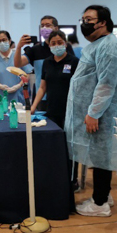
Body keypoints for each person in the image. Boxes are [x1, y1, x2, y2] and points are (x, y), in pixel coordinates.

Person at [65, 5, 117, 217]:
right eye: (83, 18)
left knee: (102, 156)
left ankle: (100, 203)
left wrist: (94, 113)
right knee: (99, 155)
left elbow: (106, 84)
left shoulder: (109, 47)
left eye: (89, 19)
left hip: (102, 113)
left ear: (103, 22)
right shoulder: (97, 45)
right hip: (96, 112)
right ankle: (104, 195)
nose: (84, 23)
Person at [31, 30, 80, 189]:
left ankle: (72, 180)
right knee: (54, 145)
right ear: (49, 45)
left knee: (70, 147)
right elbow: (42, 87)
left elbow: (80, 88)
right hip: (52, 111)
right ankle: (55, 177)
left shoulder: (74, 62)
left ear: (65, 43)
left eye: (60, 42)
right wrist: (33, 107)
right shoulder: (47, 62)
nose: (57, 45)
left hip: (71, 111)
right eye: (53, 43)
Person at [14, 15, 74, 109]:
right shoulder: (36, 49)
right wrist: (18, 47)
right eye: (42, 26)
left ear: (56, 28)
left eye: (48, 25)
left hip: (64, 96)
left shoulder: (66, 48)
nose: (44, 28)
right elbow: (17, 64)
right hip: (42, 97)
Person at [0, 31, 29, 107]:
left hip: (18, 97)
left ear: (9, 41)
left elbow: (27, 74)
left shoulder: (18, 57)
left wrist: (18, 85)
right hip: (0, 99)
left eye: (4, 40)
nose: (2, 42)